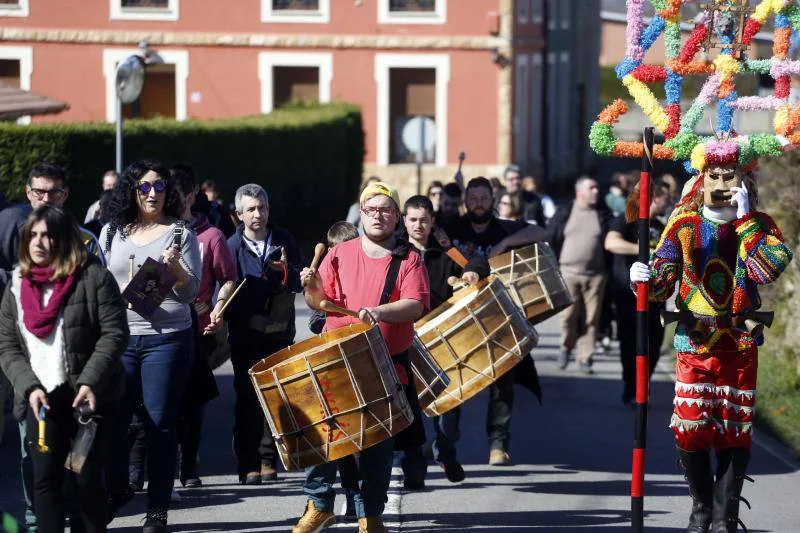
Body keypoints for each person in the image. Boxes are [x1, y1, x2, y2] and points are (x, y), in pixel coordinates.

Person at [630, 143, 792, 532]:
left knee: (735, 432)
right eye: (714, 176)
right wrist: (643, 278)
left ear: (744, 181)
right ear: (700, 181)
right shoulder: (683, 224)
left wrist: (745, 220)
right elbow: (663, 276)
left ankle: (725, 518)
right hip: (695, 343)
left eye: (730, 176)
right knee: (690, 430)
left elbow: (768, 268)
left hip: (739, 344)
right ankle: (702, 508)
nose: (721, 183)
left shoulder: (760, 224)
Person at [297, 181, 429, 532]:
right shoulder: (339, 253)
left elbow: (415, 304)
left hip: (384, 366)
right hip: (337, 362)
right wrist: (310, 287)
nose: (378, 216)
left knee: (376, 444)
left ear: (397, 217)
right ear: (361, 212)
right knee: (325, 436)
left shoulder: (409, 259)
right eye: (371, 209)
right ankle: (319, 504)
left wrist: (381, 311)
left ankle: (370, 515)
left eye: (386, 209)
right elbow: (318, 302)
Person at [0, 206, 129, 533]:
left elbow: (114, 333)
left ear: (65, 240)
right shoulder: (16, 284)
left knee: (83, 479)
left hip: (87, 401)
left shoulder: (93, 277)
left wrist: (90, 381)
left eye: (47, 235)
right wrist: (28, 386)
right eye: (33, 235)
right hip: (40, 401)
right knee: (46, 481)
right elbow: (7, 346)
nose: (39, 242)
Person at [102, 159, 201, 533]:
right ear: (131, 190)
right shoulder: (112, 232)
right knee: (112, 424)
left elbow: (190, 292)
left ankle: (157, 511)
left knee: (160, 424)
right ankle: (116, 490)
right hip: (121, 340)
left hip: (166, 341)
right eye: (144, 186)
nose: (152, 193)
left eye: (159, 186)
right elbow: (101, 283)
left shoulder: (180, 234)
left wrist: (175, 271)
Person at [15, 163, 106, 533]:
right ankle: (38, 519)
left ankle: (77, 516)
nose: (46, 198)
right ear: (28, 193)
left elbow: (104, 310)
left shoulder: (86, 241)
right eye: (39, 192)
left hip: (77, 368)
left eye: (53, 192)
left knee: (78, 457)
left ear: (65, 195)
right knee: (33, 454)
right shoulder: (16, 237)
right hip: (31, 368)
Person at [448, 177, 546, 466]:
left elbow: (541, 230)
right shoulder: (452, 229)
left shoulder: (504, 227)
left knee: (503, 383)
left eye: (483, 197)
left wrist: (506, 242)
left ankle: (498, 443)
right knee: (453, 381)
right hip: (460, 320)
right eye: (473, 197)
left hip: (499, 318)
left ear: (493, 199)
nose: (478, 202)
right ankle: (446, 442)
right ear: (466, 199)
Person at [403, 195, 487, 485]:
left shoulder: (445, 252)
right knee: (411, 409)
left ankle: (446, 453)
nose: (418, 225)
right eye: (413, 219)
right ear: (404, 221)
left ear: (432, 221)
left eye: (424, 219)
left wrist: (473, 271)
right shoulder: (398, 254)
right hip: (408, 339)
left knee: (449, 407)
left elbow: (475, 260)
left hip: (444, 340)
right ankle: (414, 470)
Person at [225, 184, 302, 485]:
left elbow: (298, 280)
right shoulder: (232, 246)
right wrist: (246, 319)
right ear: (239, 214)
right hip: (245, 336)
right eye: (251, 209)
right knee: (246, 399)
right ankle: (248, 463)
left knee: (276, 397)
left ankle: (269, 458)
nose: (257, 214)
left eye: (262, 208)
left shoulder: (283, 240)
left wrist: (287, 271)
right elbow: (225, 292)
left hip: (279, 334)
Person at [172, 167, 238, 488]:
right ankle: (146, 465)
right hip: (158, 331)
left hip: (197, 329)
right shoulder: (149, 234)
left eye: (173, 194)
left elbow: (228, 278)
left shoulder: (210, 235)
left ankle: (188, 464)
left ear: (189, 196)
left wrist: (217, 308)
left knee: (192, 400)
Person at [307, 220, 361, 520]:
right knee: (338, 431)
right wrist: (312, 287)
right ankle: (338, 496)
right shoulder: (326, 269)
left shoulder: (365, 269)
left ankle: (360, 494)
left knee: (361, 437)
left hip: (361, 354)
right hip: (334, 358)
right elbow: (316, 316)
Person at [604, 180, 671, 405]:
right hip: (627, 293)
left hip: (656, 296)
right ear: (653, 198)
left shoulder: (660, 225)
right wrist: (644, 250)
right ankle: (631, 387)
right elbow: (611, 242)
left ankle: (644, 385)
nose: (667, 202)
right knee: (630, 342)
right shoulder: (627, 221)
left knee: (655, 341)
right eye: (664, 198)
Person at [547, 176, 613, 374]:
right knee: (568, 315)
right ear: (579, 192)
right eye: (591, 188)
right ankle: (565, 346)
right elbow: (552, 237)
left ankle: (585, 357)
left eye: (596, 188)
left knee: (591, 319)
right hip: (568, 272)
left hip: (596, 275)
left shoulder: (603, 214)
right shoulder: (565, 211)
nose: (596, 191)